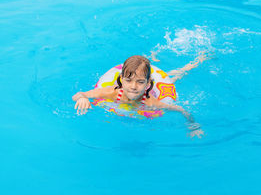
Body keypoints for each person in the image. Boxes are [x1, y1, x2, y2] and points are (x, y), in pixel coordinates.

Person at [72, 53, 211, 138]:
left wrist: (194, 127)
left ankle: (198, 61)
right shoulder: (111, 92)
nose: (133, 86)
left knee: (176, 76)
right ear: (121, 80)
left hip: (157, 88)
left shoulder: (150, 102)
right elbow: (78, 95)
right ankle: (153, 56)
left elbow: (181, 110)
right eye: (128, 80)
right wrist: (83, 98)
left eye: (140, 82)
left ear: (147, 83)